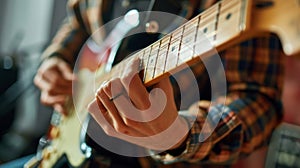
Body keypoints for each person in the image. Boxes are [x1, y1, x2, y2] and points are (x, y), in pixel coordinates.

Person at [23, 0, 286, 167]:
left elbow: (258, 102)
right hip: (62, 148)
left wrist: (178, 134)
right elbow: (79, 19)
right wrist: (54, 57)